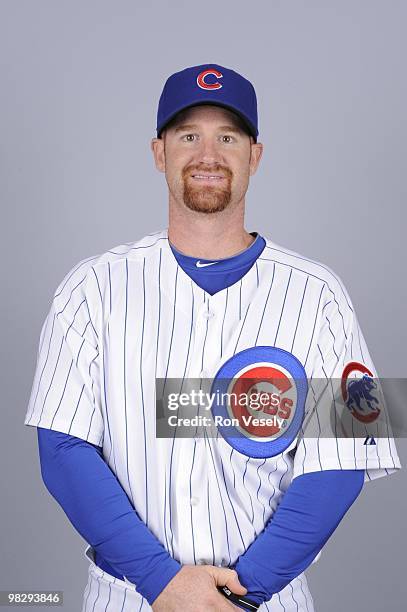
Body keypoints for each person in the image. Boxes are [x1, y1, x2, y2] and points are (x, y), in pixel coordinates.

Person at [24, 64, 401, 612]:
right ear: (159, 153)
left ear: (255, 155)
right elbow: (60, 449)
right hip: (130, 598)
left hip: (266, 603)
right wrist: (163, 582)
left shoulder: (320, 294)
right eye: (188, 136)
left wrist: (242, 595)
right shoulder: (90, 288)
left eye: (228, 136)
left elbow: (343, 461)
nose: (208, 153)